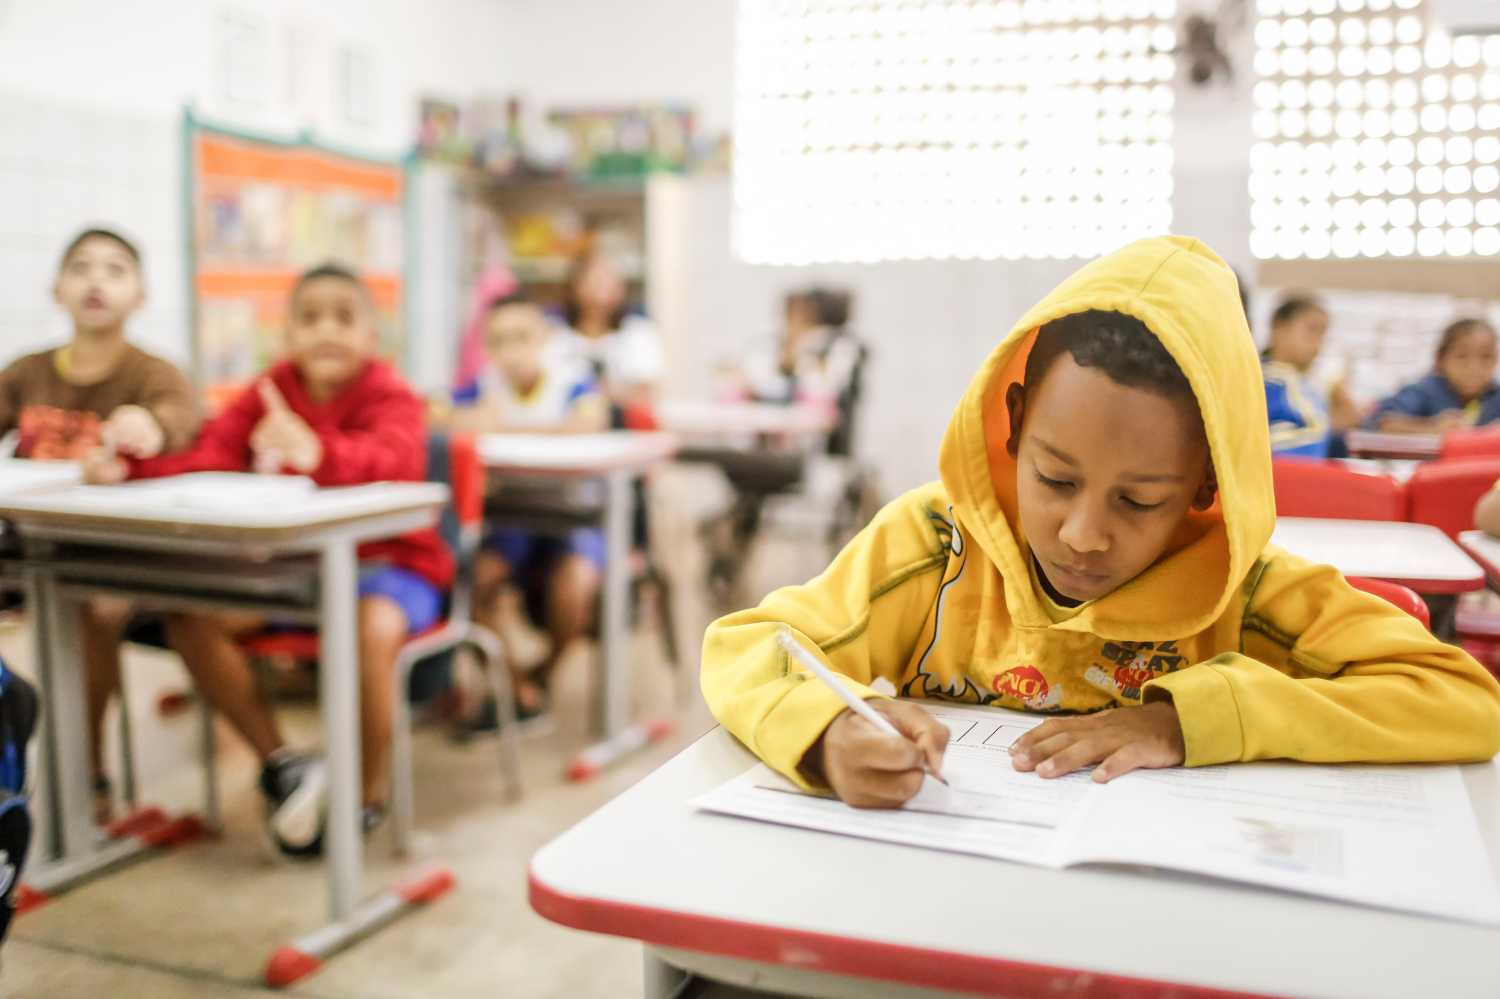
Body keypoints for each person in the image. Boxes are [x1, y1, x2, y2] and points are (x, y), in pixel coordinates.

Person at [700, 236, 1500, 809]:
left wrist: (1192, 720)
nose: (1083, 532)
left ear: (1206, 482)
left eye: (1138, 499)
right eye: (1054, 477)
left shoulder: (1244, 592)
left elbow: (1461, 698)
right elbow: (748, 646)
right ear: (1012, 421)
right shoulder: (933, 546)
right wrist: (827, 729)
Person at [84, 263, 453, 856]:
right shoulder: (268, 391)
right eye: (309, 318)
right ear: (286, 336)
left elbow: (399, 462)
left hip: (391, 568)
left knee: (371, 627)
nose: (326, 330)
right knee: (193, 618)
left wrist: (317, 451)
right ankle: (283, 765)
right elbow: (209, 456)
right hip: (293, 573)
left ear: (371, 337)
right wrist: (128, 469)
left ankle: (365, 796)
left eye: (343, 316)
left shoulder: (393, 395)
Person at [0, 227, 201, 823]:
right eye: (82, 267)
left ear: (140, 295)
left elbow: (178, 418)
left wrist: (148, 426)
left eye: (115, 270)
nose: (96, 280)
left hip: (118, 554)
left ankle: (85, 773)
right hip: (30, 545)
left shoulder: (153, 372)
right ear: (57, 288)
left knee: (94, 607)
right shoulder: (27, 373)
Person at [446, 292, 607, 730]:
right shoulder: (482, 385)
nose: (511, 350)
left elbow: (589, 423)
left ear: (544, 338)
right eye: (498, 340)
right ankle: (516, 688)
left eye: (522, 336)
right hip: (511, 524)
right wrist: (469, 419)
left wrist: (498, 424)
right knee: (470, 583)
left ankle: (544, 674)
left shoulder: (572, 380)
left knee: (575, 587)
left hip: (573, 520)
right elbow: (439, 417)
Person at [555, 253, 664, 424]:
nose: (605, 289)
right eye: (596, 281)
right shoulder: (557, 336)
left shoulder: (638, 333)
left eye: (612, 282)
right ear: (575, 286)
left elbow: (645, 395)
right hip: (569, 431)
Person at [1261, 295, 1360, 458]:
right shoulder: (1267, 381)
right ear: (1279, 328)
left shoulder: (1305, 385)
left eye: (1322, 335)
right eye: (1312, 330)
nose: (1317, 343)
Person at [1367, 319, 1500, 434]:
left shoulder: (1495, 395)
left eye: (1486, 357)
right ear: (1440, 359)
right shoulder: (1425, 391)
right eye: (1462, 356)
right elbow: (1382, 422)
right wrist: (1432, 428)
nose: (1474, 368)